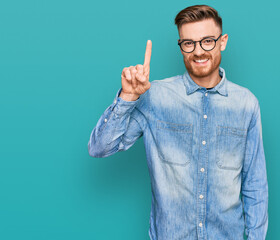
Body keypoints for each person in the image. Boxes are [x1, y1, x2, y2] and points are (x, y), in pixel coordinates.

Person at [88, 4, 268, 240]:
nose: (198, 51)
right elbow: (99, 148)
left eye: (207, 41)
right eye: (188, 43)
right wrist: (128, 97)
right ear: (181, 47)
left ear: (222, 41)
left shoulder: (246, 104)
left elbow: (255, 186)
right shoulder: (155, 97)